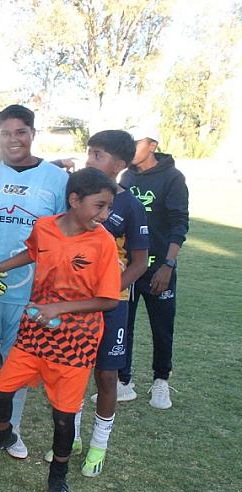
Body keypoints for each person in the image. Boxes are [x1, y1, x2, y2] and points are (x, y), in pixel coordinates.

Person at [0, 167, 121, 492]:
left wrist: (60, 308)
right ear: (74, 200)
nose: (104, 215)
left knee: (64, 417)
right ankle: (1, 434)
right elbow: (34, 253)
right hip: (35, 334)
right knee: (2, 391)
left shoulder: (103, 242)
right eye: (99, 206)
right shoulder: (45, 227)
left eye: (108, 207)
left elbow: (109, 299)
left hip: (76, 343)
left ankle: (58, 478)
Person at [41, 130, 148, 477]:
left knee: (105, 374)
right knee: (73, 370)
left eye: (98, 154)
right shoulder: (76, 197)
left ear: (119, 164)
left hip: (111, 305)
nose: (90, 159)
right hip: (74, 305)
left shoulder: (130, 206)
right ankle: (69, 438)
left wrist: (108, 290)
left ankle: (98, 446)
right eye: (90, 152)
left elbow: (140, 262)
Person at [0, 104, 69, 459]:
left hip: (31, 289)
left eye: (21, 132)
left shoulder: (56, 179)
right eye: (6, 133)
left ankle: (11, 430)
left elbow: (63, 235)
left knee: (20, 362)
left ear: (32, 133)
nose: (14, 139)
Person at [121, 125, 189, 409]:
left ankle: (161, 382)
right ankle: (123, 382)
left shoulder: (173, 177)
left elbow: (179, 223)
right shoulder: (127, 175)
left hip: (159, 269)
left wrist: (168, 265)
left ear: (152, 144)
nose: (130, 149)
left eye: (135, 143)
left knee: (162, 327)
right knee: (124, 324)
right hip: (128, 266)